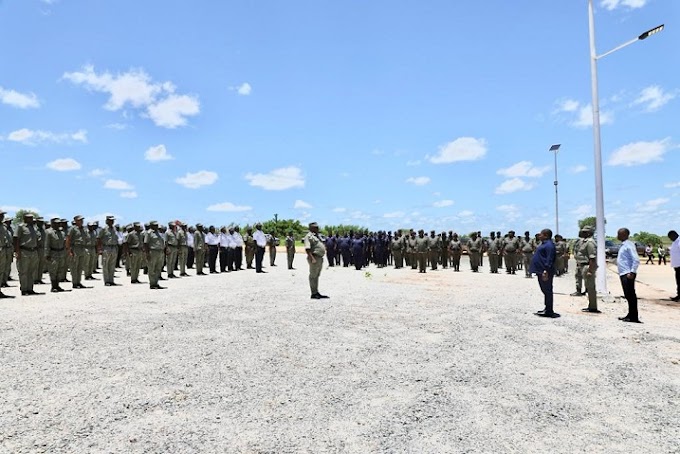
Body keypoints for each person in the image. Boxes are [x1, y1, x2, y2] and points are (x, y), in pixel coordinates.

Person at [530, 228, 558, 318]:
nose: (539, 236)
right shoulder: (544, 244)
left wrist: (546, 271)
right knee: (545, 290)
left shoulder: (549, 245)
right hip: (541, 271)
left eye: (541, 234)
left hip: (545, 271)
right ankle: (547, 308)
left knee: (547, 290)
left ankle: (549, 310)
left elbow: (549, 259)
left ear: (545, 235)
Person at [13, 213, 42, 296]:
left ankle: (30, 288)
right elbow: (16, 238)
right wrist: (17, 251)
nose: (31, 219)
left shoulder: (34, 228)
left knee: (32, 271)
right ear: (25, 218)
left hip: (33, 251)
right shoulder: (20, 227)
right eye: (29, 218)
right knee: (23, 271)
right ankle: (24, 289)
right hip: (24, 251)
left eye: (32, 218)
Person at [616, 228, 641, 323]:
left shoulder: (629, 245)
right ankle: (630, 314)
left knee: (631, 295)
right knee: (628, 295)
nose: (617, 236)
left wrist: (632, 272)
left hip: (628, 274)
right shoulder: (623, 245)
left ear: (625, 234)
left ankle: (634, 317)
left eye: (619, 234)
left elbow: (636, 259)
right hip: (624, 273)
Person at [304, 222, 328, 299]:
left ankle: (316, 292)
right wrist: (312, 258)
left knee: (317, 275)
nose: (317, 229)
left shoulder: (317, 236)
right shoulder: (309, 236)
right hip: (314, 257)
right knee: (313, 276)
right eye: (316, 227)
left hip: (319, 258)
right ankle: (313, 293)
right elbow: (307, 249)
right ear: (311, 228)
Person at [579, 226, 600, 314]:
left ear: (588, 233)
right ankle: (591, 305)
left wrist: (590, 271)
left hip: (588, 266)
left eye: (584, 232)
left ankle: (593, 307)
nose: (581, 233)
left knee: (591, 287)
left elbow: (592, 257)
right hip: (584, 265)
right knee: (588, 287)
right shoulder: (585, 241)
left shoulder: (590, 242)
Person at [44, 217, 66, 293]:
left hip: (61, 253)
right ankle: (53, 286)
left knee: (60, 270)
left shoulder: (62, 232)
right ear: (52, 223)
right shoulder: (48, 232)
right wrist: (47, 255)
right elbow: (47, 244)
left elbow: (64, 244)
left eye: (59, 223)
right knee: (53, 270)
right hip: (53, 253)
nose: (58, 224)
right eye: (56, 223)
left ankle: (57, 285)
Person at [66, 215, 89, 289]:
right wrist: (69, 250)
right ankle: (74, 283)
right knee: (74, 267)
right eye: (79, 220)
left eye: (82, 220)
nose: (81, 221)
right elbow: (68, 240)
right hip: (75, 248)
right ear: (75, 221)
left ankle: (79, 282)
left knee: (80, 267)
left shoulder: (83, 229)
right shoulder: (72, 229)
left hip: (82, 248)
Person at [97, 215, 120, 286]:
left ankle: (111, 280)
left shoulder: (114, 229)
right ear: (106, 221)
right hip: (106, 248)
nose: (112, 222)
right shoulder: (103, 229)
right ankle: (106, 281)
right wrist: (100, 249)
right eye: (110, 220)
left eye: (112, 220)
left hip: (114, 248)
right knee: (105, 265)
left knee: (112, 265)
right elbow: (98, 239)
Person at [144, 221, 165, 289]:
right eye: (155, 225)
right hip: (152, 252)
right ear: (151, 226)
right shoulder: (149, 233)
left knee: (158, 268)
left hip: (159, 252)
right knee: (151, 268)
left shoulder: (158, 233)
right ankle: (152, 283)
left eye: (157, 225)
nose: (157, 226)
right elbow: (146, 243)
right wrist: (147, 253)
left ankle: (156, 282)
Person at [0, 210, 14, 298]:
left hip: (4, 250)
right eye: (1, 215)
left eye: (2, 215)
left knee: (2, 270)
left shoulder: (3, 227)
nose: (2, 217)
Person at [571, 230, 586, 296]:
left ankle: (583, 291)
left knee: (583, 277)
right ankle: (580, 291)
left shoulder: (588, 242)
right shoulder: (578, 241)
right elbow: (575, 250)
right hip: (580, 262)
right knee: (579, 276)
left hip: (584, 262)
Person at [668, 230, 680, 302]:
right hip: (677, 266)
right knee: (678, 281)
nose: (670, 239)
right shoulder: (675, 242)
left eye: (670, 237)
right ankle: (679, 295)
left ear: (674, 235)